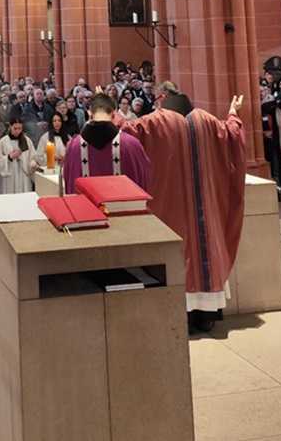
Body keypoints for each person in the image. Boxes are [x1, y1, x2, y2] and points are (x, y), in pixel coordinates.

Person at [118, 89, 246, 333]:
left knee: (178, 254)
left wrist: (109, 110)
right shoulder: (207, 120)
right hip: (205, 209)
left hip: (172, 206)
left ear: (163, 101)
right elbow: (232, 134)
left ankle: (183, 314)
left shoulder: (155, 121)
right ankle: (207, 314)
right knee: (205, 251)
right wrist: (233, 113)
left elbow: (125, 131)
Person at [63, 92, 150, 194]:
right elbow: (143, 179)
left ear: (90, 113)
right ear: (113, 114)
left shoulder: (73, 146)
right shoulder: (132, 145)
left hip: (85, 208)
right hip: (122, 208)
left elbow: (69, 182)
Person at [0, 117, 37, 194]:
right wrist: (9, 157)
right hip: (10, 176)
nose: (18, 131)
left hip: (24, 176)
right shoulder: (3, 141)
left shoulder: (27, 141)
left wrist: (33, 163)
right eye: (15, 128)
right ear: (10, 127)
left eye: (20, 128)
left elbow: (33, 156)